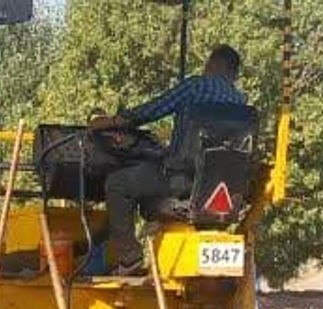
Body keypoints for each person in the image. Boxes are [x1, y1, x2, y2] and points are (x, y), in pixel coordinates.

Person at [90, 45, 247, 275]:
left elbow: (151, 111)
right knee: (149, 197)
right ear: (234, 73)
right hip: (218, 189)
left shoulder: (196, 86)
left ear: (213, 64)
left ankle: (130, 257)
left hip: (181, 181)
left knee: (118, 183)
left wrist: (113, 121)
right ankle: (159, 222)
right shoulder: (242, 102)